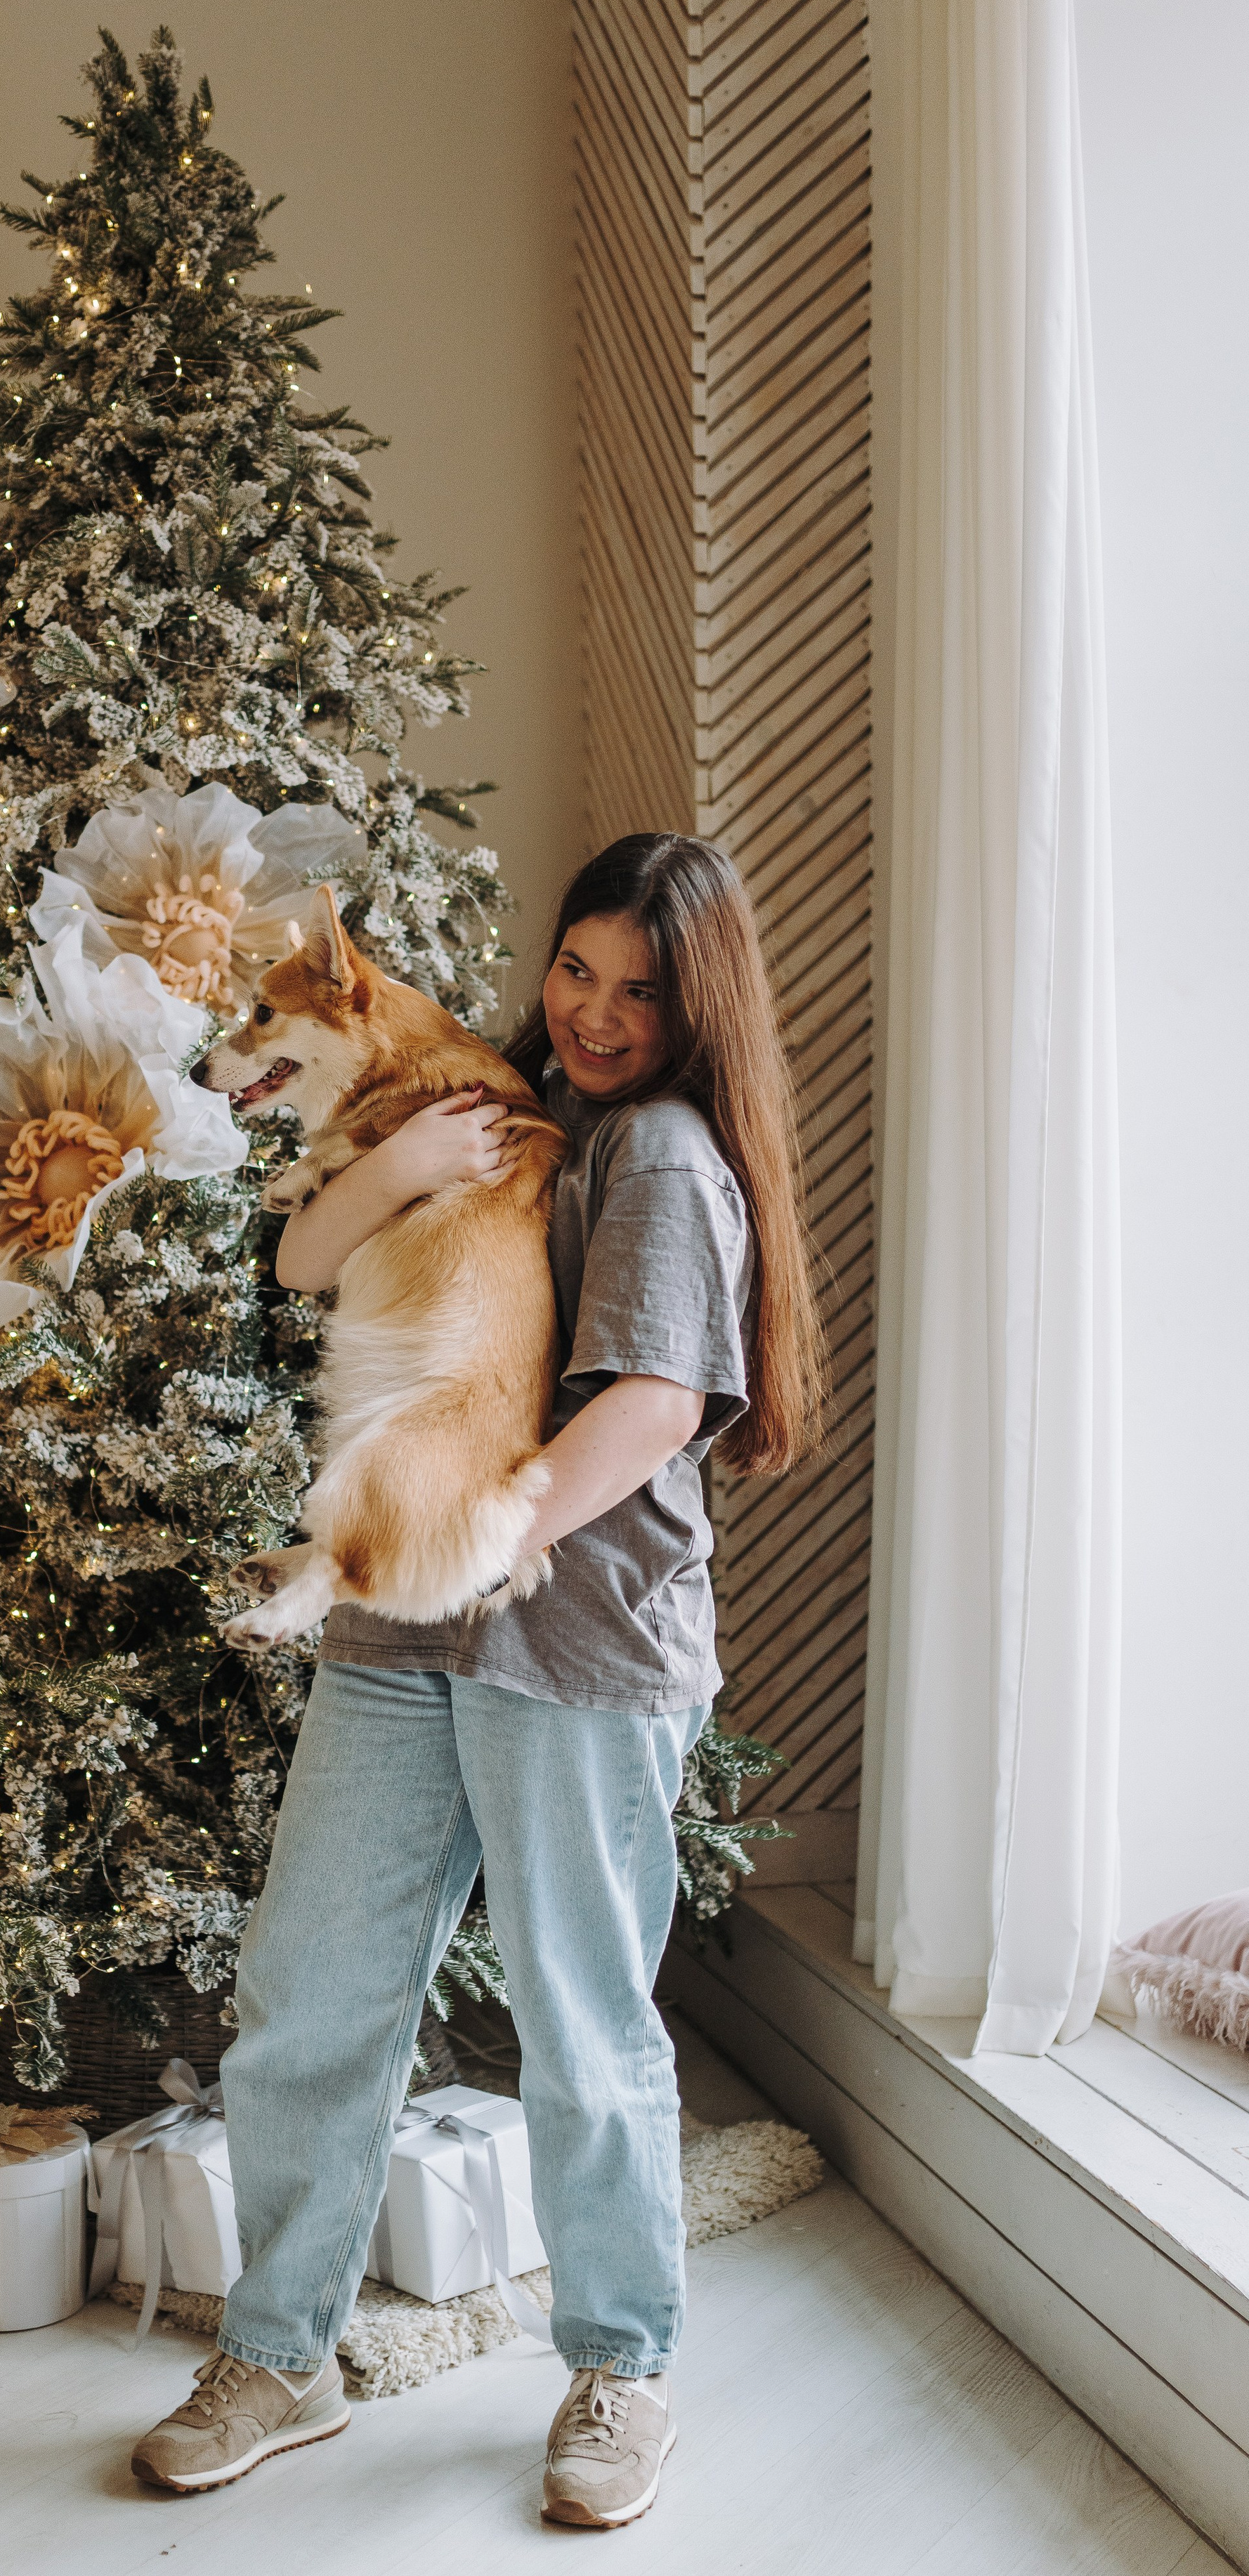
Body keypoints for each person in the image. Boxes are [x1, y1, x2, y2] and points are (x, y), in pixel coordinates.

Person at [129, 833, 827, 2529]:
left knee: (582, 2028)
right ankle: (282, 2351)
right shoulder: (497, 1110)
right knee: (309, 1991)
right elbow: (303, 1265)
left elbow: (654, 1403)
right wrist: (400, 1162)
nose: (591, 1010)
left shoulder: (658, 1153)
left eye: (636, 987)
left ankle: (618, 2366)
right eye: (573, 968)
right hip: (396, 1635)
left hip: (576, 1642)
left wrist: (505, 1526)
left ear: (694, 1003)